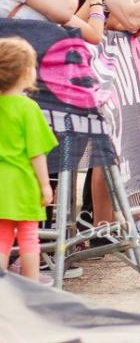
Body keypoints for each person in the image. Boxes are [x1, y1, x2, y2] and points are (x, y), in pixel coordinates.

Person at [0, 37, 58, 282]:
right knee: (28, 236)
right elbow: (37, 152)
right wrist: (45, 185)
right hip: (23, 182)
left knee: (2, 237)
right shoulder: (28, 108)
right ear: (26, 73)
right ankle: (31, 284)